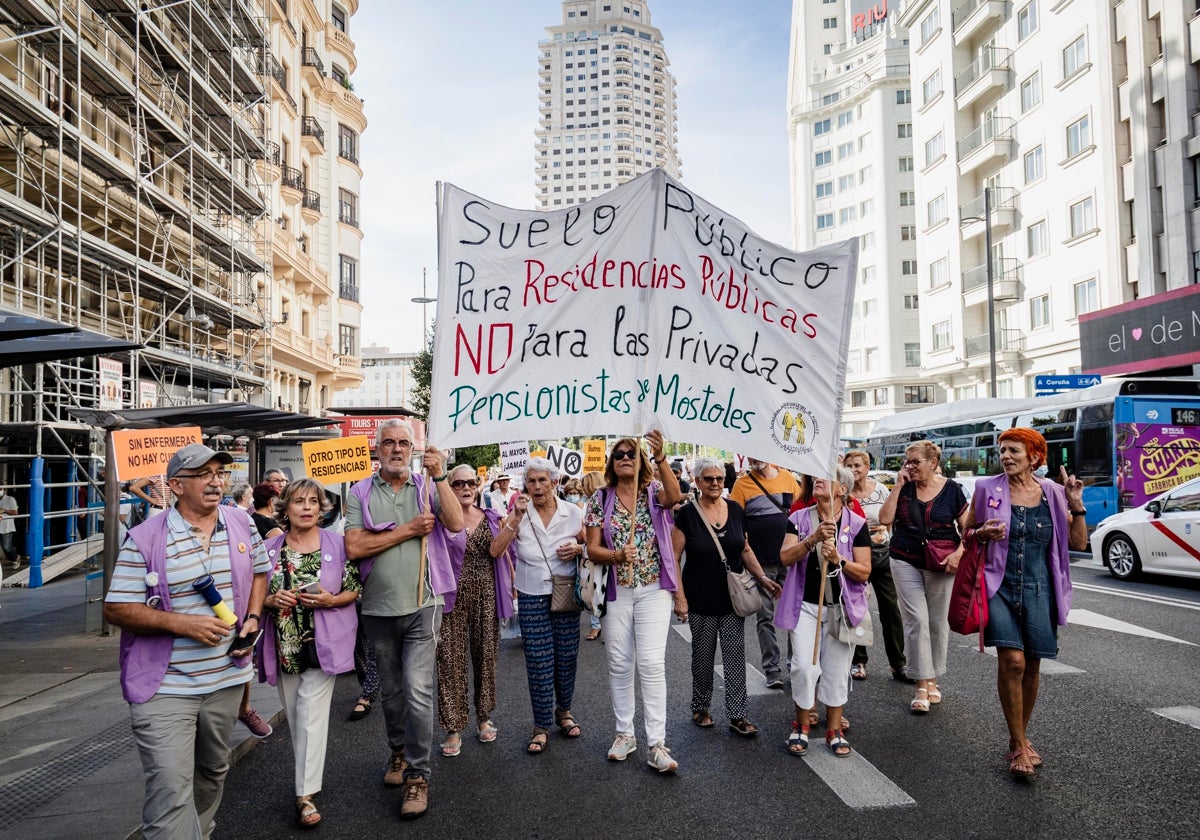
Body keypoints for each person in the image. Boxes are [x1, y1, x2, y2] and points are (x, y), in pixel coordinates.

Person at [103, 443, 268, 839]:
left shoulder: (241, 523)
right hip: (165, 686)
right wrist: (182, 624)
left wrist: (253, 616)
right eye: (203, 474)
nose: (215, 482)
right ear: (176, 485)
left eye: (220, 473)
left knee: (212, 771)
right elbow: (117, 608)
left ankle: (200, 831)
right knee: (170, 786)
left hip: (226, 681)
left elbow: (261, 572)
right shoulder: (145, 538)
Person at [344, 419, 462, 820]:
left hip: (424, 606)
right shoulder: (359, 491)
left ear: (413, 449)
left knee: (417, 690)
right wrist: (408, 530)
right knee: (392, 696)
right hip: (377, 609)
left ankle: (418, 776)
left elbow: (457, 523)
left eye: (404, 443)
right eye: (389, 442)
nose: (396, 449)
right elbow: (356, 546)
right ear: (376, 449)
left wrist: (441, 475)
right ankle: (397, 752)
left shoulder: (427, 487)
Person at [965, 428, 1087, 776]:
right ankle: (1019, 745)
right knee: (1014, 661)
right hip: (998, 584)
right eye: (1002, 450)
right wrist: (981, 534)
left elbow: (1077, 544)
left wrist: (1077, 507)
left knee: (1032, 664)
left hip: (1039, 587)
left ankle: (1019, 733)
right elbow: (967, 532)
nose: (1005, 456)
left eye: (1014, 451)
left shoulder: (1052, 492)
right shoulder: (987, 488)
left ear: (1034, 457)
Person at [257, 478, 359, 828]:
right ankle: (307, 778)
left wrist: (330, 599)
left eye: (312, 502)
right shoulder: (269, 551)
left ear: (321, 508)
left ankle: (304, 795)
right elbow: (253, 597)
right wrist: (270, 600)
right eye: (298, 501)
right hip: (285, 644)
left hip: (324, 643)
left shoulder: (338, 543)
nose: (306, 508)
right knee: (299, 716)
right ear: (285, 508)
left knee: (311, 713)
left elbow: (353, 589)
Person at [585, 431, 685, 774]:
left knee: (653, 663)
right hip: (617, 592)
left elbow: (675, 497)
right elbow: (591, 548)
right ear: (612, 463)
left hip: (654, 589)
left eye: (632, 453)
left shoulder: (653, 493)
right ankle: (624, 734)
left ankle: (657, 743)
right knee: (619, 662)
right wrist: (616, 555)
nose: (626, 457)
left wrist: (659, 457)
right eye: (620, 454)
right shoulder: (600, 498)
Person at [671, 457, 780, 735]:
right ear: (697, 481)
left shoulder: (734, 509)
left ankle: (738, 714)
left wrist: (763, 577)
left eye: (719, 479)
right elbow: (674, 557)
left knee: (734, 657)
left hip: (733, 598)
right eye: (708, 479)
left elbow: (744, 549)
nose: (715, 484)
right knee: (703, 657)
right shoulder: (687, 514)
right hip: (700, 598)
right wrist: (679, 598)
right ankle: (701, 707)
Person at [489, 457, 584, 755]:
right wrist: (515, 519)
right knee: (539, 660)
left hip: (566, 593)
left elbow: (591, 545)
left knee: (566, 655)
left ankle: (563, 711)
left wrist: (579, 548)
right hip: (531, 595)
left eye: (543, 480)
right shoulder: (519, 513)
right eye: (531, 481)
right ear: (525, 486)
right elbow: (496, 550)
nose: (537, 486)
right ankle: (541, 725)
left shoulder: (572, 513)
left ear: (555, 483)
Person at [776, 467, 871, 757]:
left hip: (841, 607)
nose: (818, 480)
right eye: (816, 476)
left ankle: (834, 730)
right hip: (805, 606)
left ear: (842, 489)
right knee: (804, 667)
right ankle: (801, 725)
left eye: (826, 477)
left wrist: (839, 560)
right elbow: (784, 558)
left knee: (837, 670)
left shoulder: (856, 523)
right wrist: (812, 539)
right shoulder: (798, 519)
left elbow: (864, 571)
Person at [878, 440, 969, 715]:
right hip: (904, 558)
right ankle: (920, 683)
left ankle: (933, 679)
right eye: (907, 461)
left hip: (943, 562)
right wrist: (897, 486)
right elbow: (884, 519)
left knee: (937, 622)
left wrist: (959, 554)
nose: (910, 466)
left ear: (933, 462)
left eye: (915, 461)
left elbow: (968, 530)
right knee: (916, 620)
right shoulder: (904, 488)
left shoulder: (953, 491)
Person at [435, 464, 513, 757]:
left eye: (471, 482)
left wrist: (514, 520)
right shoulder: (441, 520)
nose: (466, 488)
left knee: (486, 656)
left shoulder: (492, 517)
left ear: (478, 486)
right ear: (449, 487)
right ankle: (453, 727)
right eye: (459, 484)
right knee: (450, 660)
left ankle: (483, 716)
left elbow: (499, 553)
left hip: (486, 593)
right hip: (450, 595)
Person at [729, 458, 801, 689]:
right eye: (751, 456)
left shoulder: (788, 478)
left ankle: (796, 666)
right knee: (765, 618)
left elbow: (801, 513)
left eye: (758, 454)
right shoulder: (741, 485)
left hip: (790, 559)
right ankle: (772, 669)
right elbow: (736, 524)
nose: (755, 459)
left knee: (796, 616)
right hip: (761, 563)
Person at [843, 449, 910, 683]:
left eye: (858, 465)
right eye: (849, 465)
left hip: (882, 554)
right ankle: (858, 661)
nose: (853, 469)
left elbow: (888, 518)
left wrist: (883, 538)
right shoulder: (843, 492)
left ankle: (898, 663)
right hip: (854, 556)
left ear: (867, 467)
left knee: (891, 609)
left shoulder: (880, 489)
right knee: (857, 608)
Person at [580, 470, 607, 641]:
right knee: (593, 590)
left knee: (598, 590)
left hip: (601, 553)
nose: (581, 488)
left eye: (583, 485)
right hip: (593, 553)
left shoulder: (601, 502)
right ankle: (597, 626)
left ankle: (603, 626)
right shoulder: (588, 503)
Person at [0, 485, 19, 568]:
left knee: (7, 547)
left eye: (0, 489)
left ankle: (15, 558)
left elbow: (15, 512)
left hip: (6, 527)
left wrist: (4, 510)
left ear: (4, 489)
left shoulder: (10, 499)